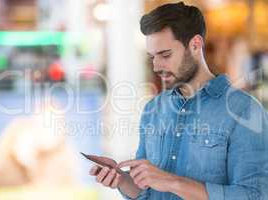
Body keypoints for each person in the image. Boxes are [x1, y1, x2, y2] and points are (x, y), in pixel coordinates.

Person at [89, 2, 268, 199]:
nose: (156, 67)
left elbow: (255, 195)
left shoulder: (244, 110)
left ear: (195, 44)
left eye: (165, 55)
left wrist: (172, 182)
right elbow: (146, 192)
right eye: (152, 57)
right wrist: (122, 180)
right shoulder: (153, 109)